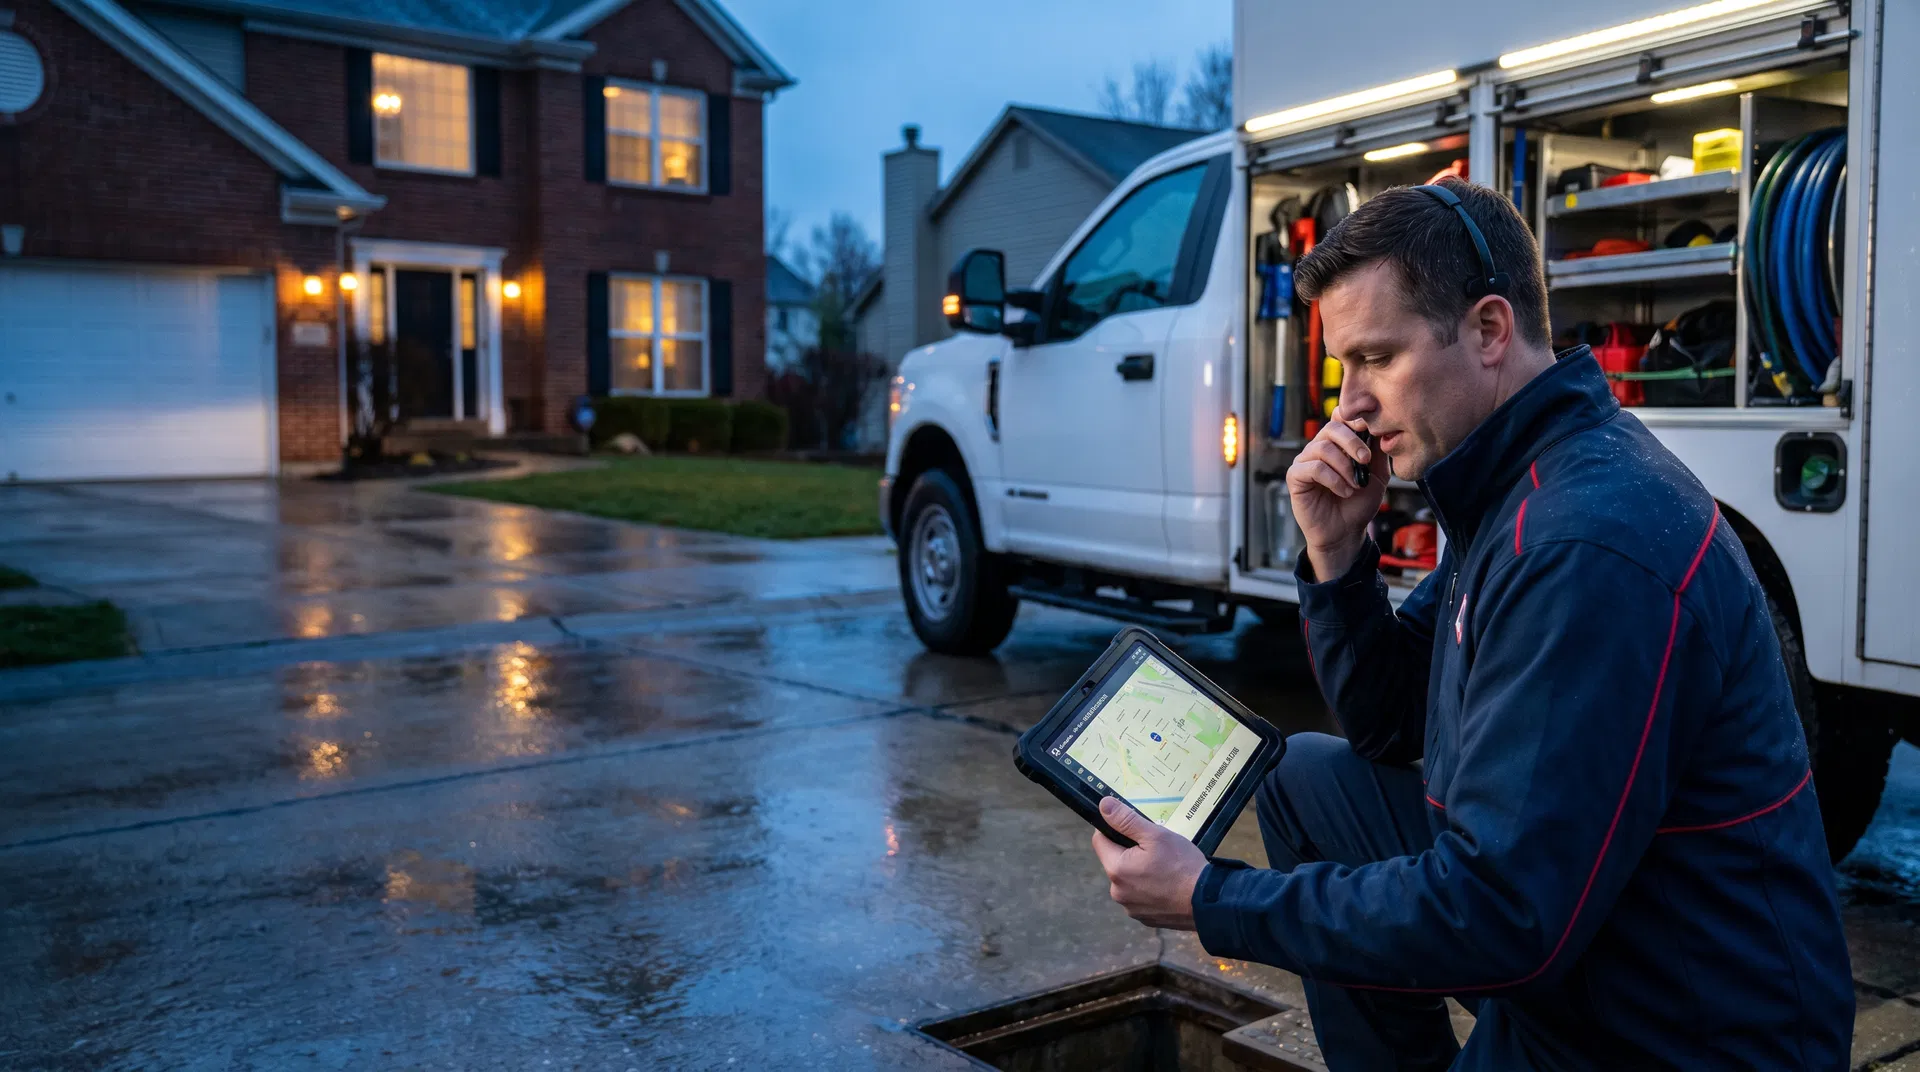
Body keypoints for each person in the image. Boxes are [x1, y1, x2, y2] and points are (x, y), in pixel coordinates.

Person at [1088, 177, 1852, 1069]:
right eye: (1343, 368)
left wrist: (1214, 896)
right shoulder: (1514, 479)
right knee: (1303, 779)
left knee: (1427, 900)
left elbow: (1504, 916)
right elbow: (1386, 722)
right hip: (1599, 943)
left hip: (1679, 1031)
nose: (1348, 408)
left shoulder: (1581, 545)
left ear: (1490, 331)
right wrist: (1338, 559)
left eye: (1375, 359)